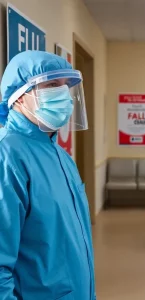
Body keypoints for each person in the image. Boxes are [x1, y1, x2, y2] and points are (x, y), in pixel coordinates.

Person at [0, 51, 95, 299]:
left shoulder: (60, 155)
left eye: (65, 86)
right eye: (52, 84)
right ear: (19, 97)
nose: (64, 94)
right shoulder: (7, 156)